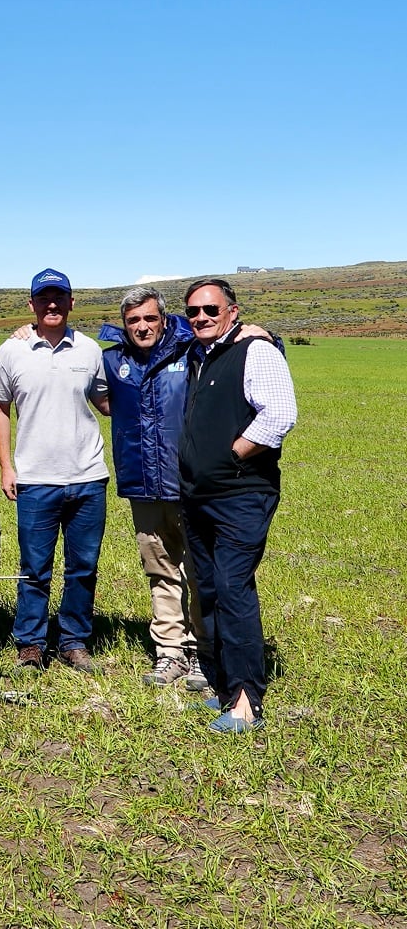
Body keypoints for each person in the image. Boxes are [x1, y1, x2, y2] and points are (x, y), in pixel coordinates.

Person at [91, 287, 275, 689]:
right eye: (133, 320)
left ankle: (203, 652)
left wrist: (262, 335)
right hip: (142, 483)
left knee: (199, 572)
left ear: (164, 318)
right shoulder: (111, 360)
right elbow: (99, 398)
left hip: (189, 483)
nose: (142, 326)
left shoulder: (190, 349)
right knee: (159, 569)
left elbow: (242, 359)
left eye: (150, 318)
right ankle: (170, 652)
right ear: (124, 325)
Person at [179, 278, 297, 734]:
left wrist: (234, 454)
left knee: (232, 589)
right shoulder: (200, 351)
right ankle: (225, 688)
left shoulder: (256, 350)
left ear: (233, 312)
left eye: (211, 309)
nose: (202, 317)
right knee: (208, 589)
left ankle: (248, 702)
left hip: (241, 494)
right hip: (198, 496)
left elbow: (280, 414)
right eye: (193, 311)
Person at [0, 269, 111, 674]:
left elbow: (105, 402)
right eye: (44, 298)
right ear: (32, 305)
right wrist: (7, 465)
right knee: (34, 567)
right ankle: (31, 643)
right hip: (35, 478)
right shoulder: (12, 351)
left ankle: (74, 640)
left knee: (83, 565)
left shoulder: (90, 350)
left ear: (72, 302)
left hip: (88, 477)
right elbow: (0, 410)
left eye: (60, 297)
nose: (52, 304)